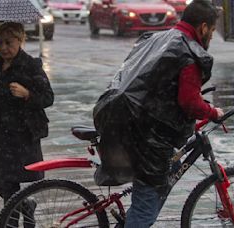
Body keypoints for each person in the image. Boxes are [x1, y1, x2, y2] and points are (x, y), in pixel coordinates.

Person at [93, 1, 224, 227]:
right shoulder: (188, 52)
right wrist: (212, 112)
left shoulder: (157, 38)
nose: (211, 37)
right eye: (212, 31)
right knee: (145, 210)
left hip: (124, 119)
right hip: (146, 135)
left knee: (147, 197)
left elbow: (153, 82)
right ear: (203, 27)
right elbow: (189, 102)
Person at [0, 22, 54, 226]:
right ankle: (26, 206)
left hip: (20, 133)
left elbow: (48, 97)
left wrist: (27, 94)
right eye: (0, 43)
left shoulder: (31, 65)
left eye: (9, 42)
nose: (4, 47)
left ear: (20, 40)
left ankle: (11, 222)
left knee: (10, 182)